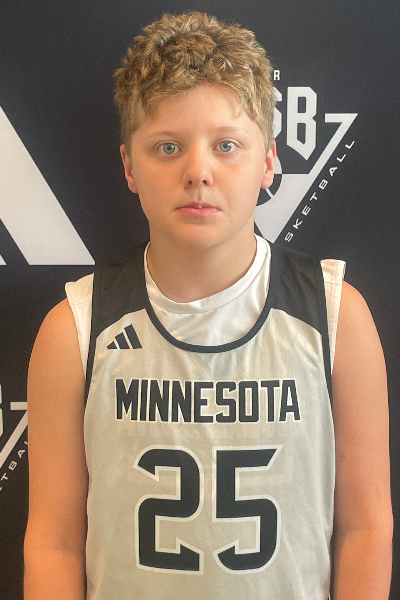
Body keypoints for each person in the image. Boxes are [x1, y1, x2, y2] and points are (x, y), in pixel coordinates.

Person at [23, 11, 392, 600]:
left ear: (268, 161)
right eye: (167, 147)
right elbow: (55, 541)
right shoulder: (75, 329)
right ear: (129, 166)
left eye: (226, 146)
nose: (198, 171)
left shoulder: (335, 316)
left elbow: (366, 526)